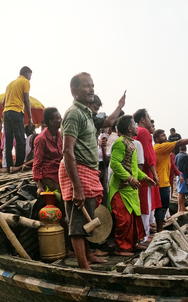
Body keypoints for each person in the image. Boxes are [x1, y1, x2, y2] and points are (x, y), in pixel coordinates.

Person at [59, 72, 107, 270]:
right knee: (78, 226)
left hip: (86, 171)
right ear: (74, 91)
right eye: (87, 86)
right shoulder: (73, 114)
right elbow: (67, 151)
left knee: (86, 218)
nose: (91, 89)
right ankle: (83, 268)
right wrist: (77, 188)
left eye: (92, 85)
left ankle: (88, 256)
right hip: (76, 172)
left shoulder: (86, 113)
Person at [108, 115, 156, 256]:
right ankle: (121, 248)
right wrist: (129, 178)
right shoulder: (119, 143)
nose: (136, 127)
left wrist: (145, 177)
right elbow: (115, 164)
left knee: (134, 219)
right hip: (120, 190)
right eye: (134, 125)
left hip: (130, 190)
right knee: (123, 220)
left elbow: (134, 168)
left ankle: (132, 244)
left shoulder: (132, 144)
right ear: (129, 129)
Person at [153, 129, 188, 231]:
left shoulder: (162, 150)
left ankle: (160, 228)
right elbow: (179, 142)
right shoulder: (160, 147)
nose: (166, 137)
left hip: (164, 181)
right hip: (162, 183)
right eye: (163, 136)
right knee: (162, 207)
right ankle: (160, 230)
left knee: (162, 207)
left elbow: (173, 165)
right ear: (157, 139)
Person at [133, 109, 160, 241]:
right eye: (148, 117)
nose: (150, 120)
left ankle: (143, 232)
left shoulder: (137, 131)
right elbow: (148, 156)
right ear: (143, 119)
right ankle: (144, 235)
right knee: (145, 203)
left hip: (138, 171)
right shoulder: (143, 132)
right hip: (145, 173)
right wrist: (154, 174)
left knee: (143, 202)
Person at [2, 66, 33, 172]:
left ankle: (9, 166)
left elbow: (3, 103)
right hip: (16, 112)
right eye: (30, 75)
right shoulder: (25, 82)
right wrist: (30, 117)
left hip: (6, 112)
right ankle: (18, 166)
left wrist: (9, 108)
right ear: (26, 74)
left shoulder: (10, 84)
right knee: (20, 140)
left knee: (8, 141)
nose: (30, 78)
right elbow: (26, 100)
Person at [33, 108, 63, 193]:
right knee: (61, 196)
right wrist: (39, 186)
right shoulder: (41, 139)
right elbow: (37, 163)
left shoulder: (61, 136)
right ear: (51, 122)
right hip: (49, 176)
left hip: (61, 173)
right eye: (59, 118)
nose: (61, 120)